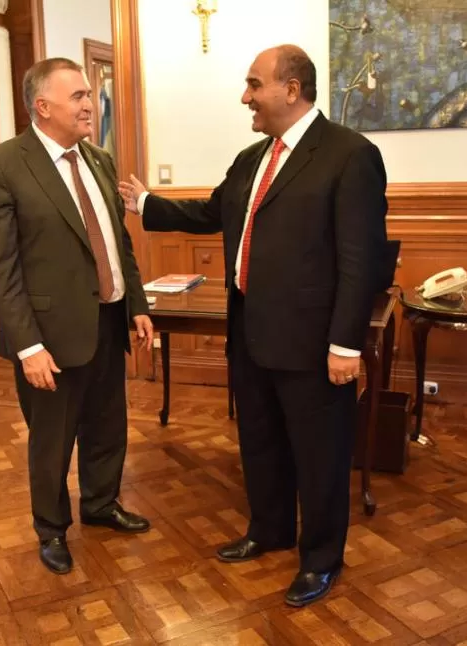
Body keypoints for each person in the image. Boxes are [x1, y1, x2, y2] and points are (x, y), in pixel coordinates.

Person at [118, 44, 390, 606]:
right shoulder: (251, 160)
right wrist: (147, 203)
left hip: (315, 345)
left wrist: (346, 344)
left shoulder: (349, 154)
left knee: (320, 456)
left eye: (253, 85)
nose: (245, 97)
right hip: (252, 336)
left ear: (292, 89)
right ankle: (268, 531)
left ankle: (320, 559)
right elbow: (210, 213)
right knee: (260, 442)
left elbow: (359, 259)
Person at [0, 57, 155, 575]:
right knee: (52, 441)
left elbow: (118, 243)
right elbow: (0, 267)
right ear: (42, 105)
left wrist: (136, 304)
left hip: (107, 319)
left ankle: (100, 505)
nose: (89, 103)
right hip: (48, 338)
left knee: (107, 426)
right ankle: (51, 530)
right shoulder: (4, 165)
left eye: (89, 94)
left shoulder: (98, 158)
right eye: (77, 95)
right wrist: (27, 346)